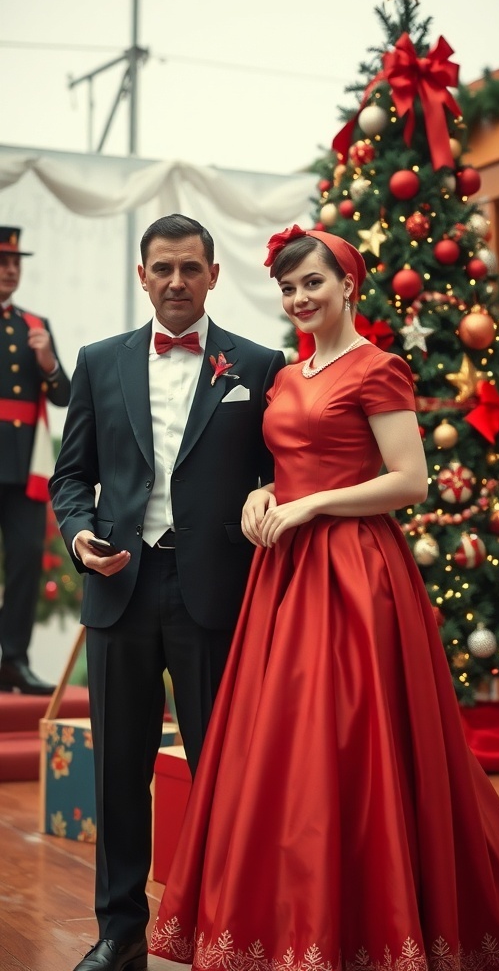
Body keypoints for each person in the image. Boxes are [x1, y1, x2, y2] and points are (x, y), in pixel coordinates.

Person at [150, 225, 499, 971]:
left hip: (354, 570)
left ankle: (375, 927)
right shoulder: (285, 376)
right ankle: (292, 923)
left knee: (353, 734)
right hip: (284, 576)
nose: (299, 298)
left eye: (313, 282)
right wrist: (262, 496)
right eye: (287, 287)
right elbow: (284, 464)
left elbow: (411, 481)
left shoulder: (379, 368)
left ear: (348, 284)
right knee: (283, 743)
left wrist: (312, 506)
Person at [49, 213, 285, 971]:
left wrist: (272, 491)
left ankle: (224, 927)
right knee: (120, 767)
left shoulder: (258, 363)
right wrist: (81, 537)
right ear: (141, 275)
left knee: (222, 766)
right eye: (162, 269)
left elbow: (283, 467)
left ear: (215, 275)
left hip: (214, 588)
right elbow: (70, 477)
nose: (176, 281)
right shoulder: (98, 360)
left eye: (191, 268)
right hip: (120, 585)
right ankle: (120, 933)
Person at [0, 226, 70, 695]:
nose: (11, 271)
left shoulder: (34, 325)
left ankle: (14, 662)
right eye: (3, 263)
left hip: (23, 467)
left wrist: (47, 362)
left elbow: (64, 394)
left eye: (16, 264)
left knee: (25, 561)